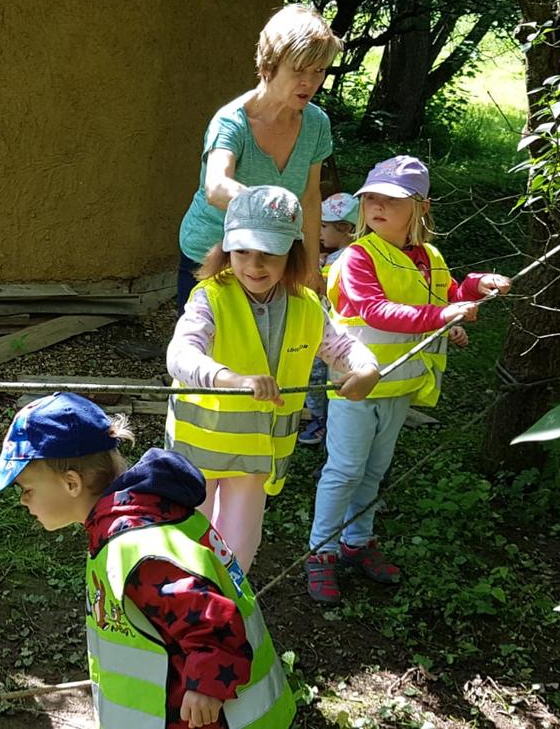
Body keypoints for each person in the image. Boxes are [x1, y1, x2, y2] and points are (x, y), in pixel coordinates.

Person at [0, 393, 296, 729]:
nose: (24, 501)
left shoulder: (135, 547)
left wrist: (207, 685)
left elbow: (209, 615)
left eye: (25, 489)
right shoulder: (142, 513)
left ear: (71, 483)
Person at [305, 156, 511, 603]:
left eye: (391, 200)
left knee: (374, 472)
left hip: (398, 386)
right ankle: (319, 553)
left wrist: (475, 286)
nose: (377, 207)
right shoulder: (358, 256)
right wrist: (442, 315)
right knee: (343, 471)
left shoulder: (429, 257)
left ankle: (357, 543)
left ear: (420, 206)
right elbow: (376, 310)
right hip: (355, 384)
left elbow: (445, 294)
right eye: (371, 199)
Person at [166, 185, 379, 574]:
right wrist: (230, 379)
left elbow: (341, 346)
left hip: (257, 460)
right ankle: (183, 616)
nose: (255, 264)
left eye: (270, 252)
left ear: (292, 253)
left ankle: (225, 614)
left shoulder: (307, 305)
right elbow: (180, 355)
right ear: (226, 248)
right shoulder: (209, 298)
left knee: (238, 550)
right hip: (196, 455)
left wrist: (366, 368)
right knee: (186, 544)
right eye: (243, 250)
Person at [176, 3, 344, 312]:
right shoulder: (231, 122)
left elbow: (309, 197)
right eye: (298, 71)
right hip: (213, 252)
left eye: (318, 71)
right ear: (269, 66)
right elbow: (216, 188)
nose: (310, 82)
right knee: (205, 350)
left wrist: (310, 267)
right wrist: (274, 207)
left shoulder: (317, 123)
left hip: (273, 255)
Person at [297, 191, 360, 446]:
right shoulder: (336, 256)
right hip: (327, 326)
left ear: (346, 229)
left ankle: (321, 421)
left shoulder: (344, 260)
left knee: (318, 377)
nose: (318, 231)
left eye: (324, 226)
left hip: (328, 329)